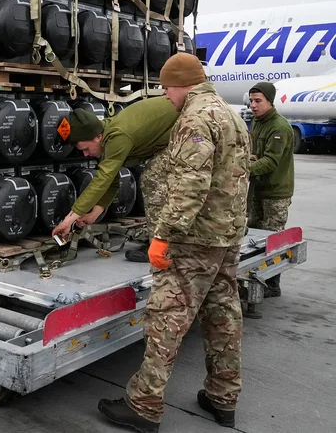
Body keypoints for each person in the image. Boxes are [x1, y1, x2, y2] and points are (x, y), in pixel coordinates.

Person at [98, 53, 250, 432]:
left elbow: (189, 186)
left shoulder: (195, 118)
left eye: (167, 89)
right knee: (223, 317)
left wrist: (163, 235)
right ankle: (223, 398)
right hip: (226, 236)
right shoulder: (231, 114)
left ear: (181, 84)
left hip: (194, 240)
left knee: (167, 319)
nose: (166, 97)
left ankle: (144, 406)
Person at [51, 97, 179, 263]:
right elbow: (111, 181)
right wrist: (93, 215)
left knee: (152, 180)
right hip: (172, 135)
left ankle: (162, 247)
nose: (86, 154)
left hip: (187, 126)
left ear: (97, 137)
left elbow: (102, 180)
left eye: (86, 149)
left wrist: (69, 219)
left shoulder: (117, 137)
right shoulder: (106, 137)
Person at [247, 81, 294, 298]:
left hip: (275, 193)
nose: (253, 106)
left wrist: (244, 168)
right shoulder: (257, 122)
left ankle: (272, 284)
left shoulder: (279, 126)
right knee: (253, 237)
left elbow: (271, 161)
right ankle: (254, 277)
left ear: (270, 101)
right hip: (258, 189)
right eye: (251, 101)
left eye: (258, 101)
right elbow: (258, 154)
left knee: (272, 240)